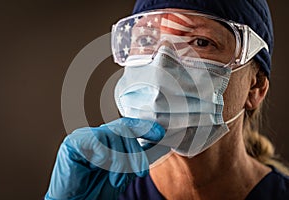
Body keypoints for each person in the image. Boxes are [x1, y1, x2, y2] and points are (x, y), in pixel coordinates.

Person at [45, 0, 289, 199]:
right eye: (146, 41)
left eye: (201, 42)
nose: (161, 65)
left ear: (254, 87)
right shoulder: (102, 190)